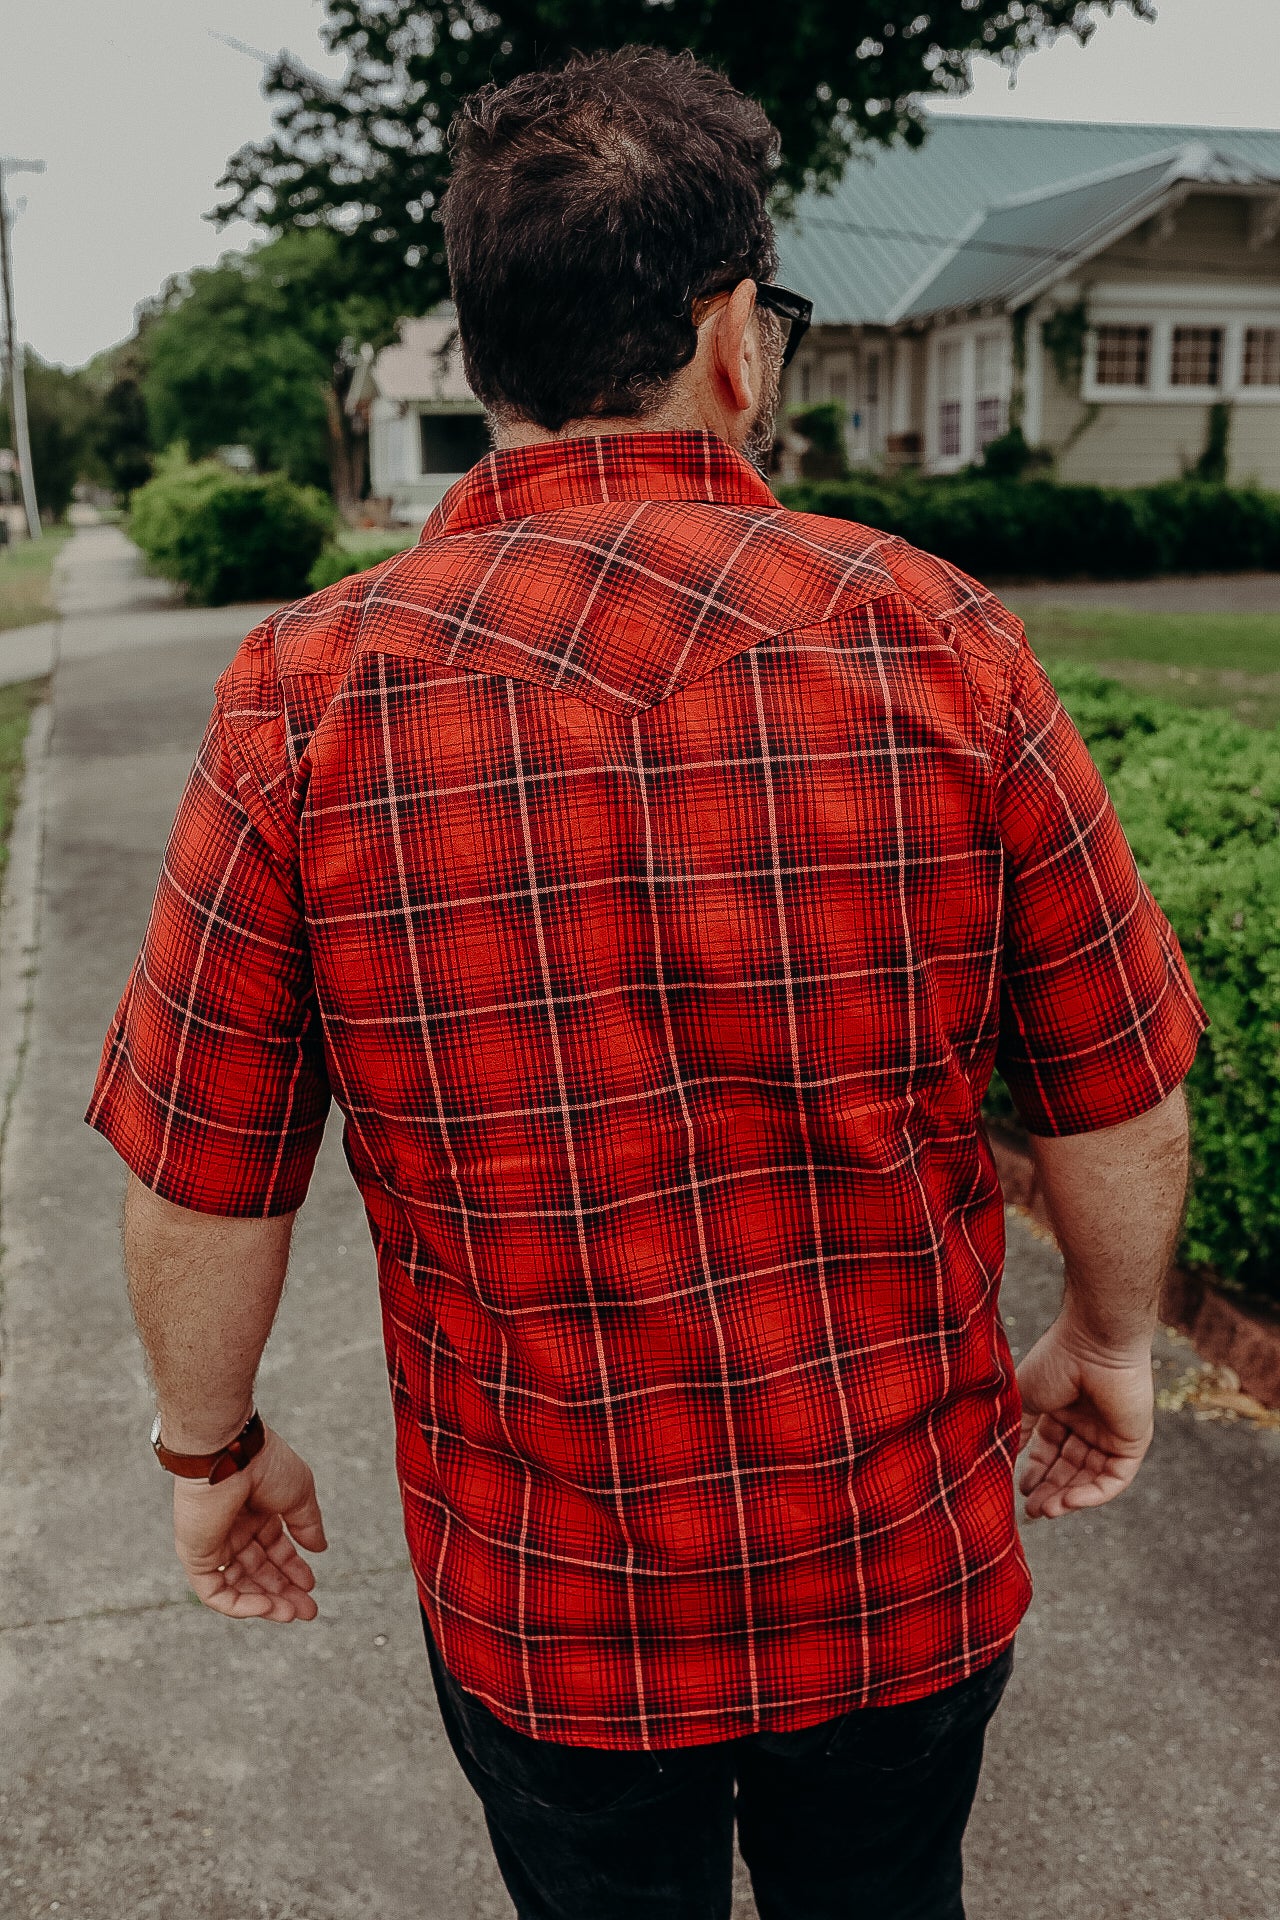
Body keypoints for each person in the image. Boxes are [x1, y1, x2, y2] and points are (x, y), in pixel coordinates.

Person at [87, 46, 1206, 1920]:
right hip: (899, 1568)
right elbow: (1111, 1075)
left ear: (477, 354)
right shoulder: (939, 639)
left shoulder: (310, 695)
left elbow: (203, 1161)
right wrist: (1107, 1343)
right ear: (730, 335)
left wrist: (211, 1447)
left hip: (551, 1610)